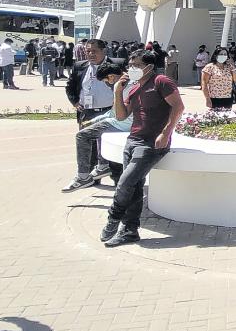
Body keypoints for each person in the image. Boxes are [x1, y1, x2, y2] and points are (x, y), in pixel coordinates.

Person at [101, 50, 183, 247]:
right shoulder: (134, 87)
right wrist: (117, 91)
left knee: (125, 183)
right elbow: (121, 116)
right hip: (132, 141)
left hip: (150, 144)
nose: (132, 68)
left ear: (149, 67)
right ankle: (130, 231)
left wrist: (166, 133)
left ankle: (113, 217)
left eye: (137, 65)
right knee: (134, 186)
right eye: (130, 65)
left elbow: (178, 107)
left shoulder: (161, 81)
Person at [66, 61, 134, 191]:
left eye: (105, 81)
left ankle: (83, 176)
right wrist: (93, 121)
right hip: (120, 121)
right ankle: (103, 165)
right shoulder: (125, 83)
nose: (107, 84)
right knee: (96, 128)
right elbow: (113, 112)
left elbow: (119, 115)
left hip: (123, 124)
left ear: (111, 77)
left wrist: (116, 91)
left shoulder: (124, 88)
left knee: (82, 136)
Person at [66, 39, 114, 124]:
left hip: (110, 112)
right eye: (88, 51)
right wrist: (75, 102)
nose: (91, 54)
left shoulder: (115, 65)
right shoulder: (79, 66)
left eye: (94, 51)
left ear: (104, 51)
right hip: (86, 113)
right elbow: (70, 86)